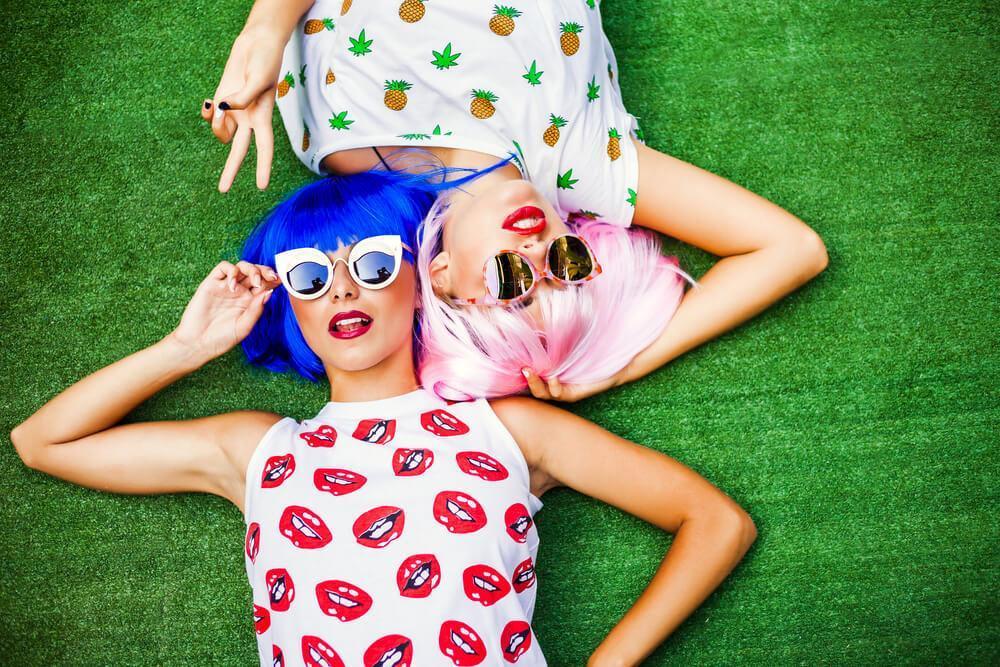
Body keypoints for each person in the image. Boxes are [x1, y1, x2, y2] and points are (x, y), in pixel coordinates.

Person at [12, 173, 757, 666]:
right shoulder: (255, 450)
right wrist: (186, 348)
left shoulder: (509, 430)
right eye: (309, 273)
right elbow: (41, 440)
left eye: (370, 263)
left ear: (422, 275)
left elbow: (716, 521)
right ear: (289, 302)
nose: (341, 290)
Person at [201, 0, 829, 402]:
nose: (536, 250)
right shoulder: (587, 170)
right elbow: (791, 249)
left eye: (512, 278)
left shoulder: (341, 145)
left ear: (441, 278)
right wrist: (618, 368)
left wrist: (264, 30)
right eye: (569, 268)